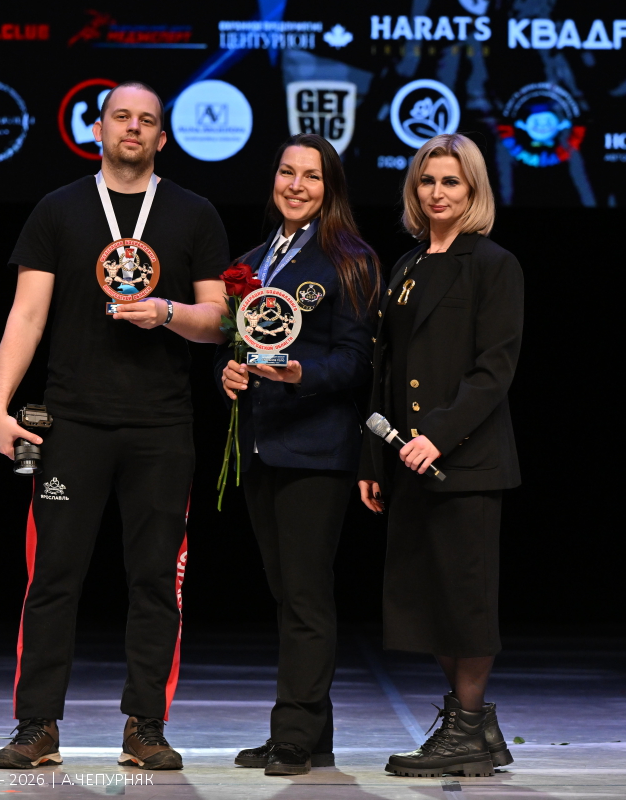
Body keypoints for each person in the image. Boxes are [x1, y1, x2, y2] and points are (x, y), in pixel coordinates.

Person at [0, 81, 230, 771]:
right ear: (98, 129)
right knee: (52, 578)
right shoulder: (58, 208)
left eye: (147, 120)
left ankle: (145, 726)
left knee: (156, 580)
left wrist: (167, 313)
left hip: (161, 427)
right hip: (71, 425)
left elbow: (221, 321)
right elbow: (27, 314)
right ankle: (36, 725)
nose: (133, 128)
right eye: (121, 116)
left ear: (162, 138)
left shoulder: (193, 212)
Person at [358, 133, 523, 778]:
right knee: (428, 603)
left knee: (465, 602)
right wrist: (374, 461)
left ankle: (466, 730)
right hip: (407, 462)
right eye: (427, 181)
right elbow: (385, 370)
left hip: (464, 462)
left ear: (473, 189)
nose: (437, 193)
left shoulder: (493, 264)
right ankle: (476, 728)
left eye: (451, 181)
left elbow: (494, 369)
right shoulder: (406, 265)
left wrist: (439, 434)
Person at [218, 133, 380, 776]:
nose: (295, 185)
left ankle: (291, 733)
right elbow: (236, 345)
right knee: (289, 596)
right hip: (262, 445)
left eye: (311, 176)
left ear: (329, 187)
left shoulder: (351, 259)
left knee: (307, 596)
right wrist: (230, 372)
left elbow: (357, 362)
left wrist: (298, 374)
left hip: (317, 448)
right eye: (287, 172)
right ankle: (313, 736)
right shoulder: (252, 263)